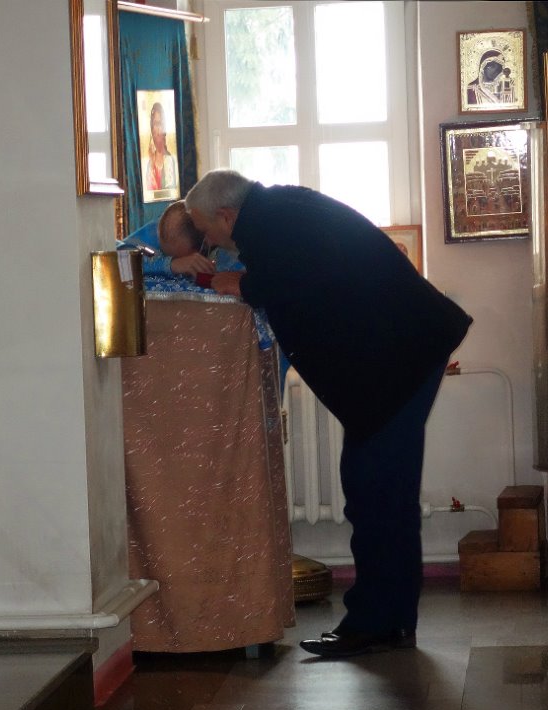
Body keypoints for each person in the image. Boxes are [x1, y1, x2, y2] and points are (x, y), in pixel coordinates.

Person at [185, 169, 473, 658]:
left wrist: (246, 284)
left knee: (375, 491)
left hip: (399, 362)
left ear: (226, 215)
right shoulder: (279, 210)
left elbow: (304, 275)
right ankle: (391, 620)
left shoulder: (273, 224)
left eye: (205, 228)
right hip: (402, 357)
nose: (206, 240)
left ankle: (375, 623)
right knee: (382, 491)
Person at [145, 102, 178, 192]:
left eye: (160, 124)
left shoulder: (169, 160)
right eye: (155, 124)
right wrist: (152, 164)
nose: (158, 129)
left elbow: (170, 191)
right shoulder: (149, 163)